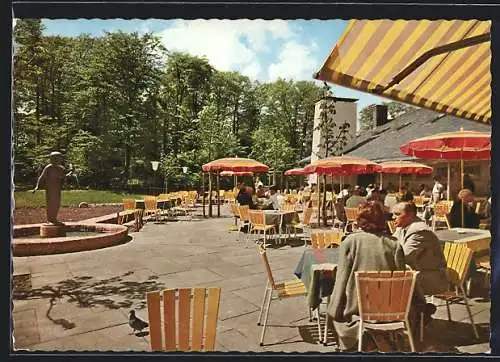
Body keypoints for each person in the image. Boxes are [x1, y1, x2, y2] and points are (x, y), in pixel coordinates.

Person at [327, 201, 406, 352]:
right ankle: (377, 337)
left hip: (358, 307)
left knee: (336, 310)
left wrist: (334, 308)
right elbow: (400, 278)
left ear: (360, 220)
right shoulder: (394, 244)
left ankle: (365, 338)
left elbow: (342, 279)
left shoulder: (350, 241)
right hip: (390, 308)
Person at [391, 202, 448, 325]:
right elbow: (391, 247)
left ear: (410, 215)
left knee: (394, 282)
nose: (393, 217)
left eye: (397, 214)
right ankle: (414, 313)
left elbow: (403, 257)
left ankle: (418, 312)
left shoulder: (420, 231)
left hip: (432, 277)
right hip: (419, 272)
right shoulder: (403, 227)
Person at [32, 151, 71, 224]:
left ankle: (54, 218)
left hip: (57, 188)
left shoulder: (61, 168)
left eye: (60, 158)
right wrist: (37, 186)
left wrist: (67, 177)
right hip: (50, 188)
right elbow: (42, 177)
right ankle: (49, 219)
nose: (60, 160)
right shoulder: (48, 168)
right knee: (50, 203)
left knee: (57, 203)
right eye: (58, 158)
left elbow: (62, 177)